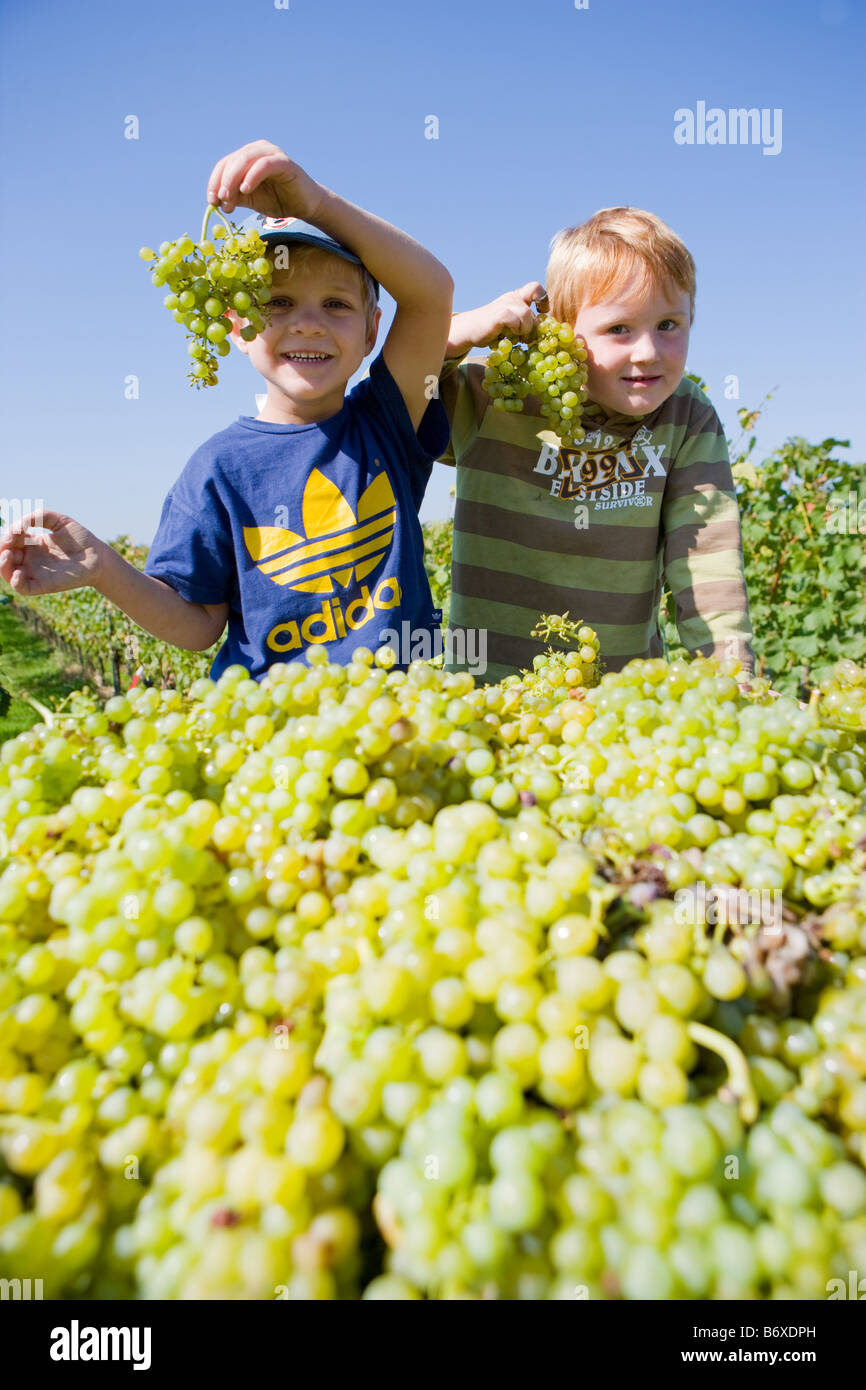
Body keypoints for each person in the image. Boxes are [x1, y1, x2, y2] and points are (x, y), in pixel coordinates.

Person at [0, 140, 453, 679]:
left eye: (336, 304)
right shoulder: (218, 468)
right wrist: (105, 569)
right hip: (272, 738)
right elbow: (197, 625)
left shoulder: (387, 421)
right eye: (277, 302)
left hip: (402, 729)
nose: (307, 323)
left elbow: (430, 293)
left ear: (372, 331)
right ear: (237, 327)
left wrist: (317, 204)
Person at [438, 206, 755, 685]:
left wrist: (735, 682)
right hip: (488, 697)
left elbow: (709, 564)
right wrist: (454, 336)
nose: (647, 351)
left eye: (669, 325)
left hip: (620, 706)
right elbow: (398, 398)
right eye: (619, 329)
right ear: (564, 330)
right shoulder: (494, 395)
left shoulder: (687, 416)